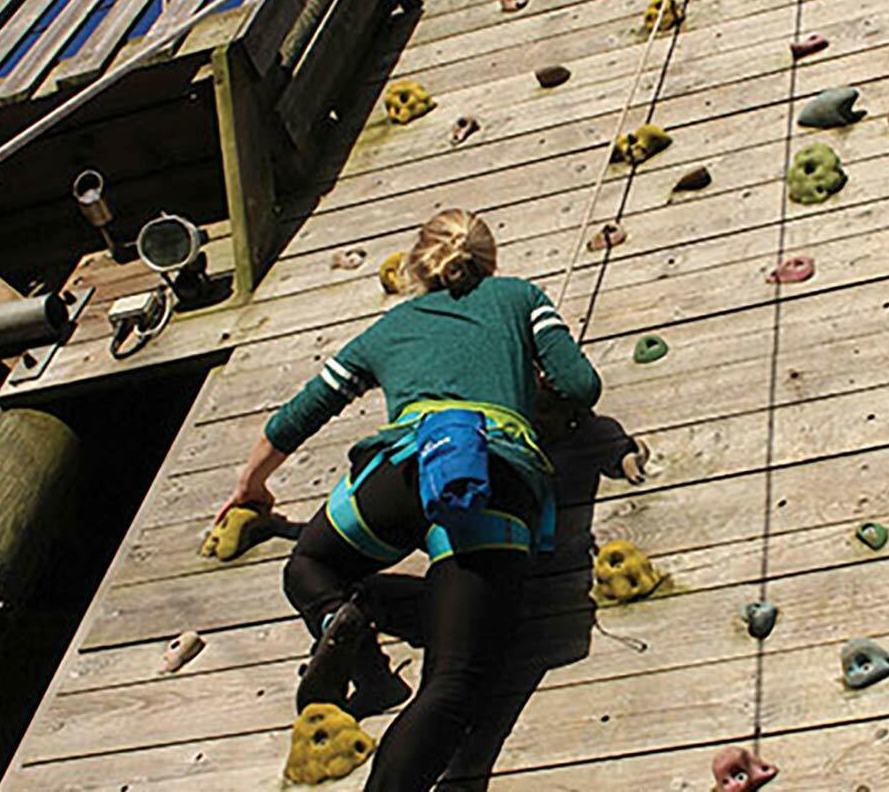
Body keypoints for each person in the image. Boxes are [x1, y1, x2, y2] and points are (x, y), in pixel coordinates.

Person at [213, 209, 603, 791]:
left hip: (404, 469)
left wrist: (251, 484)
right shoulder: (520, 298)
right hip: (490, 479)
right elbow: (581, 386)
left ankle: (335, 615)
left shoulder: (389, 328)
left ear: (419, 267)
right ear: (487, 259)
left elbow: (305, 409)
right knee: (452, 684)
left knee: (311, 564)